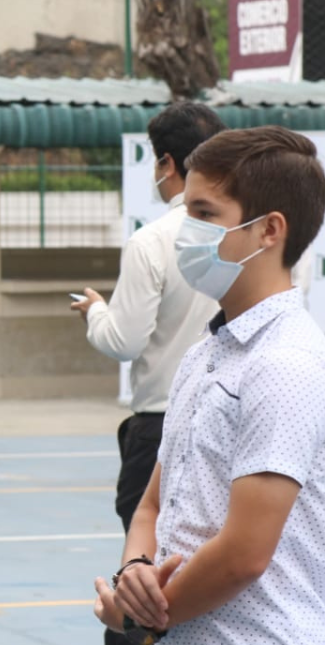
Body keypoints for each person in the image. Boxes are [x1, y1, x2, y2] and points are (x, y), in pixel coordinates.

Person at [92, 126, 325, 644]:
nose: (188, 230)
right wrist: (137, 570)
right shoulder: (205, 355)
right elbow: (152, 506)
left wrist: (137, 618)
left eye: (206, 215)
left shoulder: (285, 365)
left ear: (269, 230)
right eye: (187, 210)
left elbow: (243, 555)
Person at [71, 102, 226, 547]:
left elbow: (125, 340)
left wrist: (97, 312)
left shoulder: (151, 240)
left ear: (168, 163)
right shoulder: (248, 229)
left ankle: (131, 619)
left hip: (163, 420)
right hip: (227, 415)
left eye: (155, 160)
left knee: (147, 562)